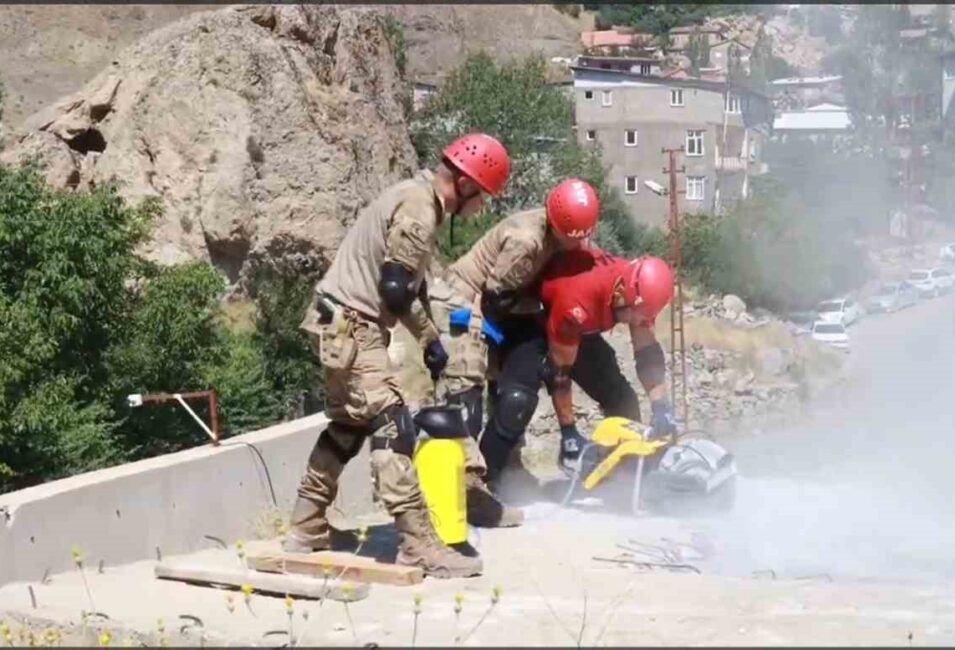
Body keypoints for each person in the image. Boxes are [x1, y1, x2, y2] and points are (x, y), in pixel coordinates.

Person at [283, 133, 510, 579]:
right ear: (464, 184)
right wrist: (428, 337)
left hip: (338, 322)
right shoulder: (420, 209)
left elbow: (406, 287)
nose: (482, 208)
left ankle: (306, 525)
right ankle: (417, 544)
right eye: (482, 196)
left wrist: (429, 342)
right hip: (353, 325)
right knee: (392, 426)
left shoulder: (414, 198)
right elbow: (394, 287)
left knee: (348, 427)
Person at [427, 178, 600, 521]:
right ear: (558, 224)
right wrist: (495, 349)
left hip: (507, 308)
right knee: (466, 391)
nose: (579, 243)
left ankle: (507, 468)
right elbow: (496, 297)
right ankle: (466, 492)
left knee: (515, 394)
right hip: (463, 302)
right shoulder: (527, 241)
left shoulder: (563, 231)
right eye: (574, 237)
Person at [477, 246, 678, 483]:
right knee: (517, 402)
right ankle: (483, 482)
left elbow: (646, 354)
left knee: (623, 401)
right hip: (531, 317)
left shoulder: (636, 292)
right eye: (637, 316)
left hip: (579, 325)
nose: (639, 322)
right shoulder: (579, 300)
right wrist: (569, 433)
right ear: (620, 293)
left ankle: (623, 480)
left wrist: (661, 406)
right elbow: (559, 374)